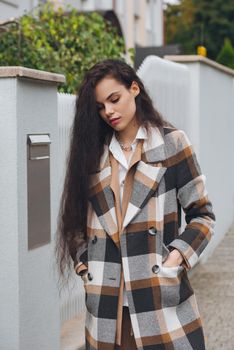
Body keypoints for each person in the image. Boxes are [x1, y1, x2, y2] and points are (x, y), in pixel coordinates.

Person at [57, 59, 215, 350]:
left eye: (114, 99)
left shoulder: (171, 144)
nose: (109, 112)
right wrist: (86, 268)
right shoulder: (93, 154)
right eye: (101, 106)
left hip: (158, 298)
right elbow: (75, 222)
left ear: (134, 88)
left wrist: (176, 258)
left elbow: (202, 216)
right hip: (106, 304)